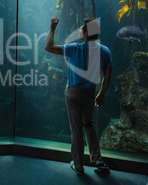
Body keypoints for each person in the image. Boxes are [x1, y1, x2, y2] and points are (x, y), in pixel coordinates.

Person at [45, 17, 112, 175]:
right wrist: (102, 94)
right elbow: (107, 75)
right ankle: (98, 161)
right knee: (89, 125)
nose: (80, 30)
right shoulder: (105, 51)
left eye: (82, 28)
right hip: (90, 93)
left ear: (85, 33)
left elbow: (48, 47)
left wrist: (53, 28)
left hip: (74, 92)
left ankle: (78, 165)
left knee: (76, 129)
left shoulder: (74, 48)